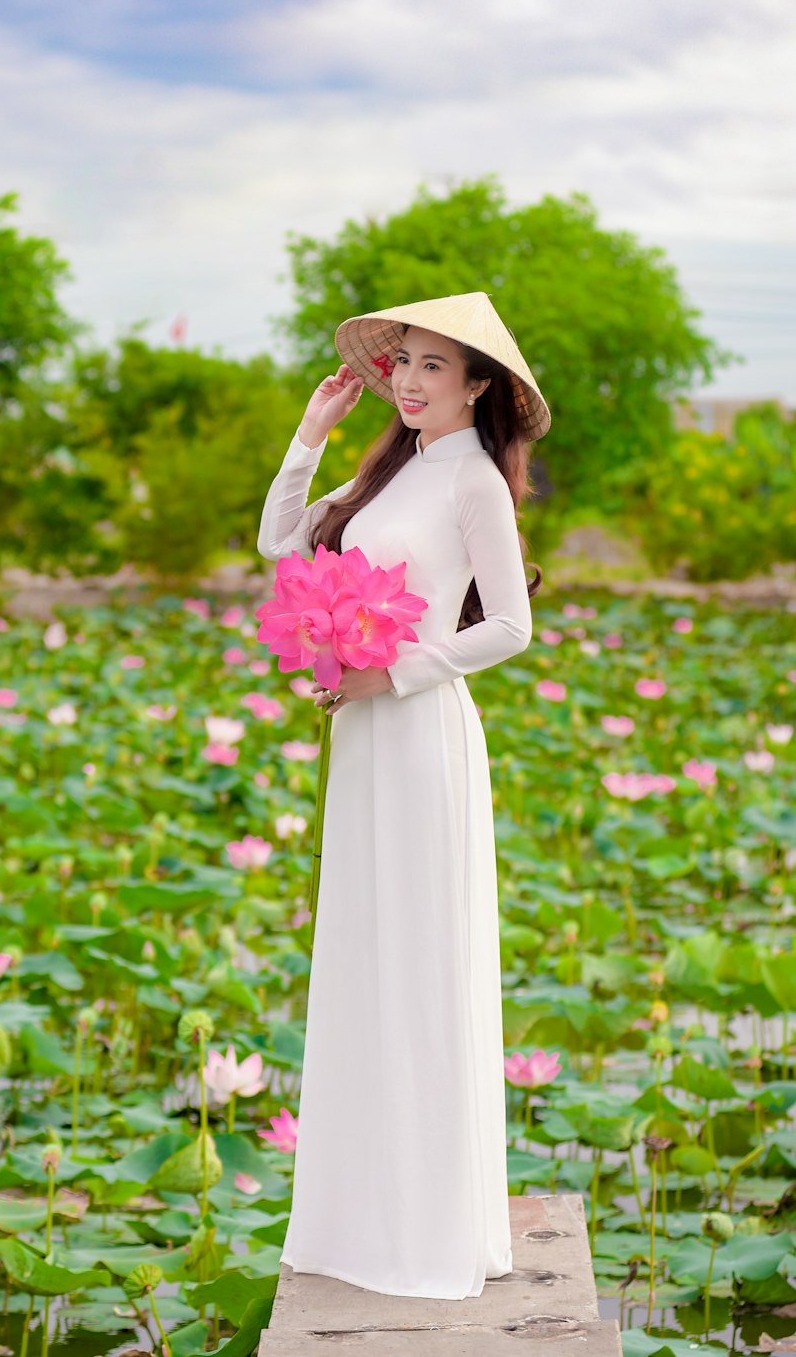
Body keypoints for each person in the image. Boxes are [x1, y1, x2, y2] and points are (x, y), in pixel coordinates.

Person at [257, 292, 551, 1300]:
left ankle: (423, 1231)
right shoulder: (392, 472)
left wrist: (397, 671)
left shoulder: (473, 482)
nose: (411, 381)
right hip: (366, 735)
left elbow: (509, 626)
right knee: (364, 955)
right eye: (405, 363)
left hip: (420, 730)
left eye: (435, 366)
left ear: (479, 384)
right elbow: (280, 544)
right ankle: (356, 1219)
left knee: (420, 960)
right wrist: (310, 433)